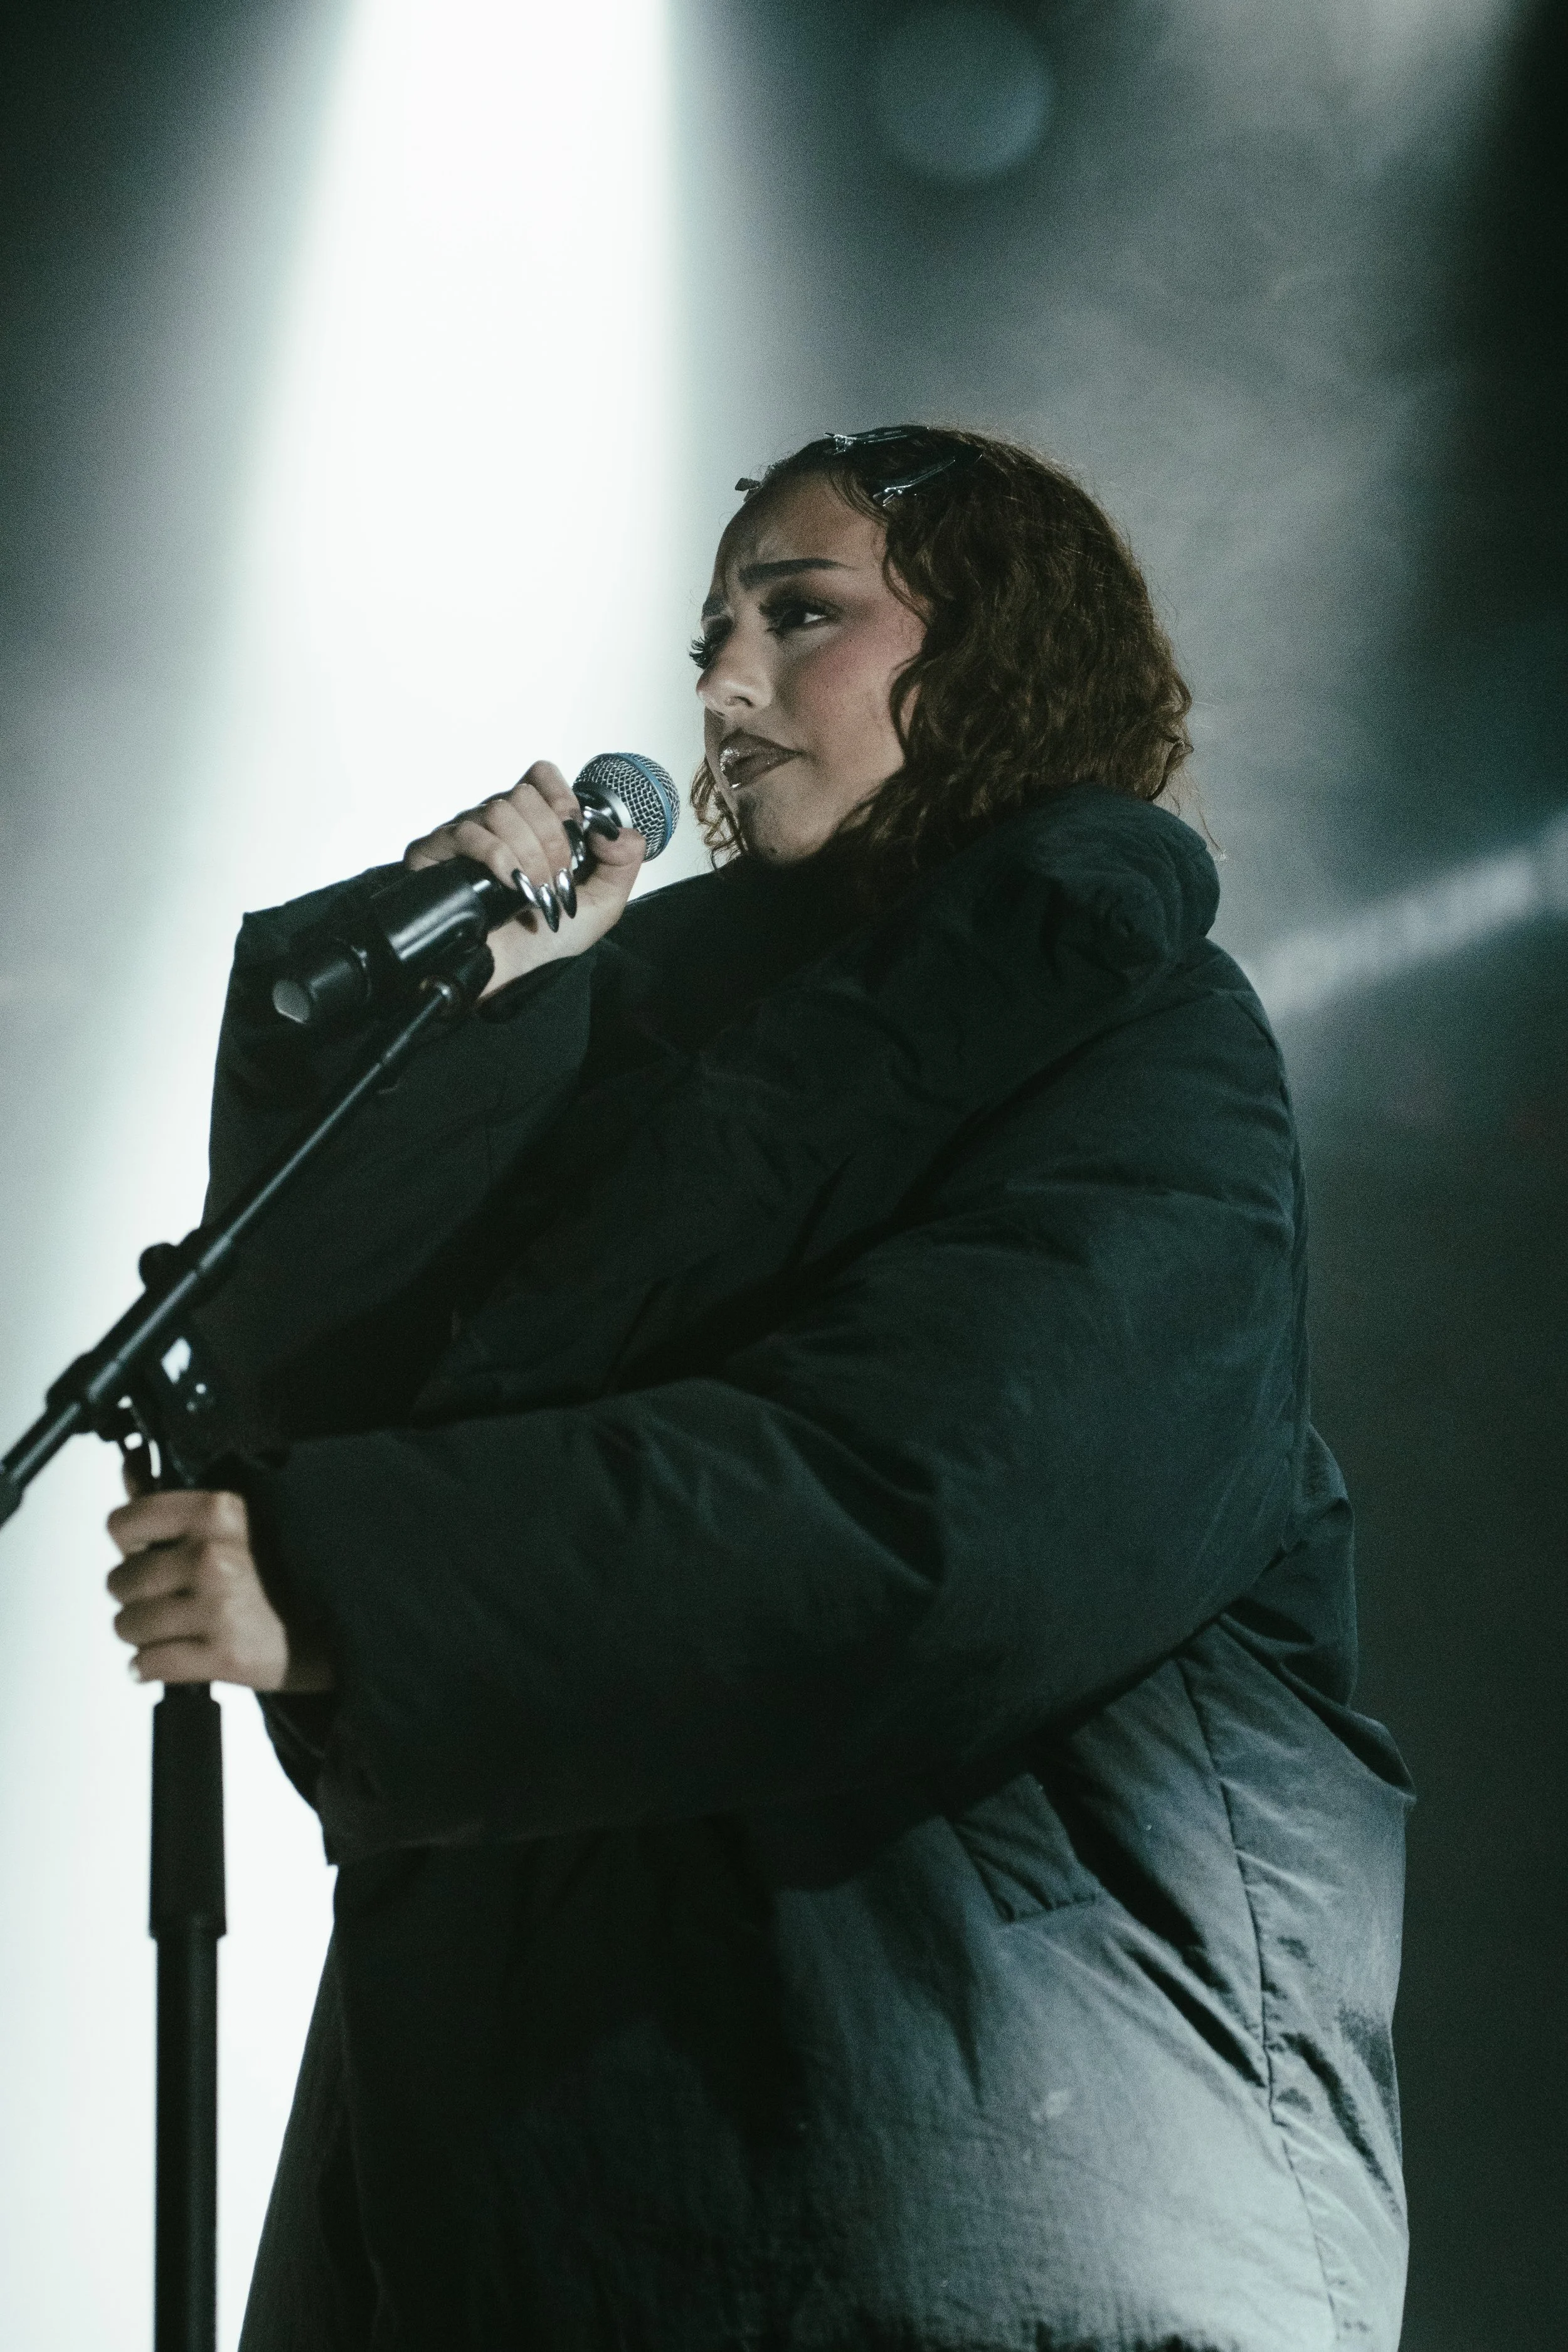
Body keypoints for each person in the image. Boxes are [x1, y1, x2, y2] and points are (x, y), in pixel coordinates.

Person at [105, 425, 1413, 2351]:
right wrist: (471, 1034)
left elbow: (944, 1507)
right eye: (711, 630)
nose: (720, 686)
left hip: (983, 2163)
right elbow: (355, 1393)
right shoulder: (638, 1043)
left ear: (987, 653)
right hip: (551, 2181)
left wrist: (366, 1583)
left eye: (800, 616)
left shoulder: (1132, 1027)